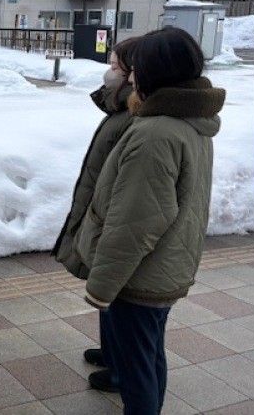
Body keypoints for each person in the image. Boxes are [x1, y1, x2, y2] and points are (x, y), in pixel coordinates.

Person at [75, 27, 225, 414]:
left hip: (140, 274)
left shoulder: (156, 133)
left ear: (156, 72)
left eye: (137, 67)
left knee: (137, 367)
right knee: (148, 353)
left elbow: (135, 223)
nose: (131, 75)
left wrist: (102, 287)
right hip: (166, 265)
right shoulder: (190, 120)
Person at [51, 36, 139, 393]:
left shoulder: (134, 115)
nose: (109, 71)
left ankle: (121, 368)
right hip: (100, 208)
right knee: (108, 293)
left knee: (117, 293)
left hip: (113, 216)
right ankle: (111, 352)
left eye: (116, 65)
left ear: (135, 72)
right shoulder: (121, 106)